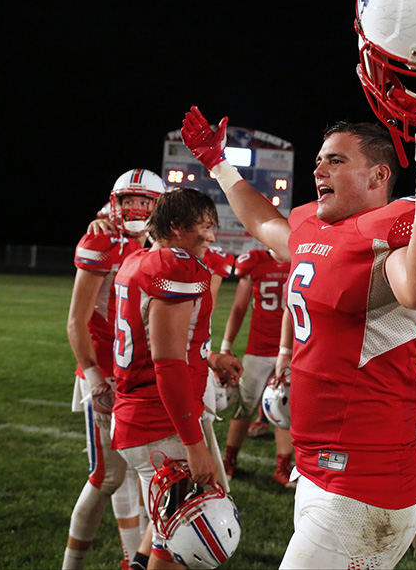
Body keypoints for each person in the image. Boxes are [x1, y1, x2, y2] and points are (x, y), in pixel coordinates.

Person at [180, 0, 416, 569]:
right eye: (319, 160)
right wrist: (218, 166)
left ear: (381, 176)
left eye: (335, 161)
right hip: (320, 468)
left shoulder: (408, 219)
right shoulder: (312, 227)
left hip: (367, 482)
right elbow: (268, 224)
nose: (318, 171)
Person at [110, 188, 243, 569]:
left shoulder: (138, 260)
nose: (211, 236)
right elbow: (167, 364)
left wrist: (211, 357)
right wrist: (195, 444)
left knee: (165, 530)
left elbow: (169, 342)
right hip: (160, 424)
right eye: (203, 227)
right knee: (189, 542)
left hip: (141, 417)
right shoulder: (174, 268)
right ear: (175, 227)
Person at [62, 169, 164, 570]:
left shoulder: (156, 246)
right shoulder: (101, 240)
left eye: (144, 202)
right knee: (106, 476)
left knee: (137, 475)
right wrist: (93, 379)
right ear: (114, 203)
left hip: (140, 378)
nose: (135, 209)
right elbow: (76, 321)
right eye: (128, 201)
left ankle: (130, 560)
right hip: (106, 376)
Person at [219, 248, 295, 485]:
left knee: (285, 409)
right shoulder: (255, 262)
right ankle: (230, 459)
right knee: (245, 406)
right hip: (259, 349)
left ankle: (282, 467)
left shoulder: (299, 256)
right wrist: (226, 345)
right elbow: (239, 307)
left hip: (292, 350)